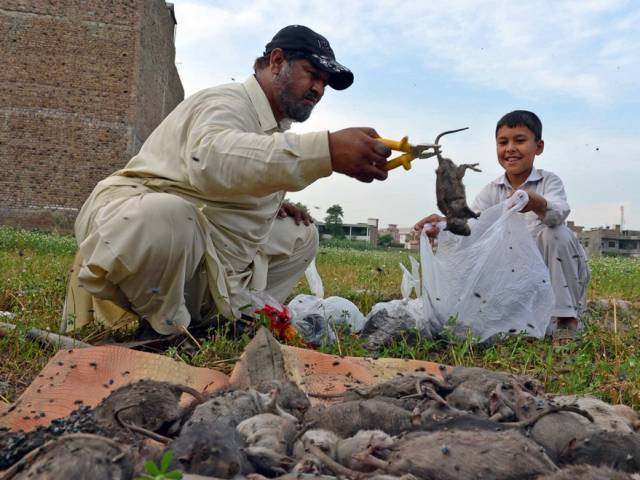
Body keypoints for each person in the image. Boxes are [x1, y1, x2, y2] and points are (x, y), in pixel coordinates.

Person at [62, 25, 392, 336]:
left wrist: (270, 200)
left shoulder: (273, 126)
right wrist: (327, 150)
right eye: (313, 75)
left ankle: (225, 320)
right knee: (168, 217)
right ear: (276, 62)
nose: (318, 90)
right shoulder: (226, 102)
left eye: (324, 83)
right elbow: (212, 161)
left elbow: (244, 167)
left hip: (203, 245)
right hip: (132, 228)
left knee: (301, 235)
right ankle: (162, 329)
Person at [415, 110, 590, 337]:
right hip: (518, 276)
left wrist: (534, 201)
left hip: (552, 270)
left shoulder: (548, 181)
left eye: (520, 141)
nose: (510, 149)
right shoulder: (492, 191)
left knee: (556, 233)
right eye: (503, 142)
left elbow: (557, 213)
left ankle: (566, 320)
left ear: (539, 146)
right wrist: (441, 226)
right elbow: (472, 228)